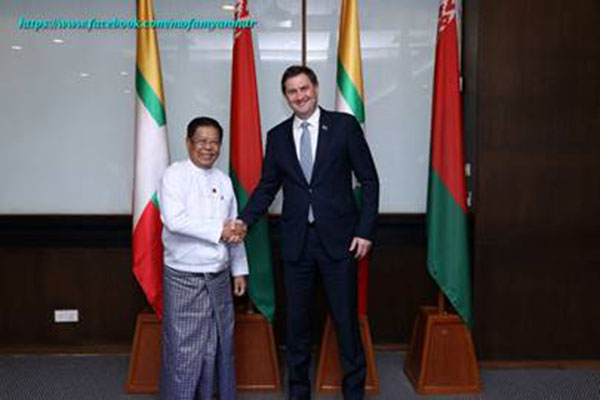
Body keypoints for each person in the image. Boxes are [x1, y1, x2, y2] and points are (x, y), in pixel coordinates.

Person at [238, 65, 379, 400]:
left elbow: (369, 180)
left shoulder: (344, 127)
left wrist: (365, 230)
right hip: (297, 244)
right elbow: (267, 187)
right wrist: (244, 221)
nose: (299, 96)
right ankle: (298, 393)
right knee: (297, 327)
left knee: (346, 324)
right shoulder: (277, 136)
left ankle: (354, 393)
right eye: (292, 91)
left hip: (341, 242)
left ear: (315, 88)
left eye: (304, 88)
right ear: (285, 96)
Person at [158, 116, 248, 400]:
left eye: (214, 142)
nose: (208, 148)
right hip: (184, 275)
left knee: (217, 345)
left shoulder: (223, 180)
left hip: (218, 274)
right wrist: (219, 229)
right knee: (183, 349)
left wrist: (239, 270)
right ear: (188, 143)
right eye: (202, 141)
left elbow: (233, 227)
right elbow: (175, 221)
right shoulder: (174, 175)